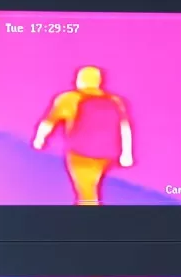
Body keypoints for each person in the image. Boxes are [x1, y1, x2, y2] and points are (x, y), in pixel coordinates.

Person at [33, 65, 134, 206]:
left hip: (80, 153)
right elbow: (125, 127)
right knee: (90, 188)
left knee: (86, 192)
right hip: (106, 154)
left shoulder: (70, 98)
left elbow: (49, 122)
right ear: (99, 81)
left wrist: (39, 140)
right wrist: (127, 154)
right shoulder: (115, 100)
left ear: (79, 80)